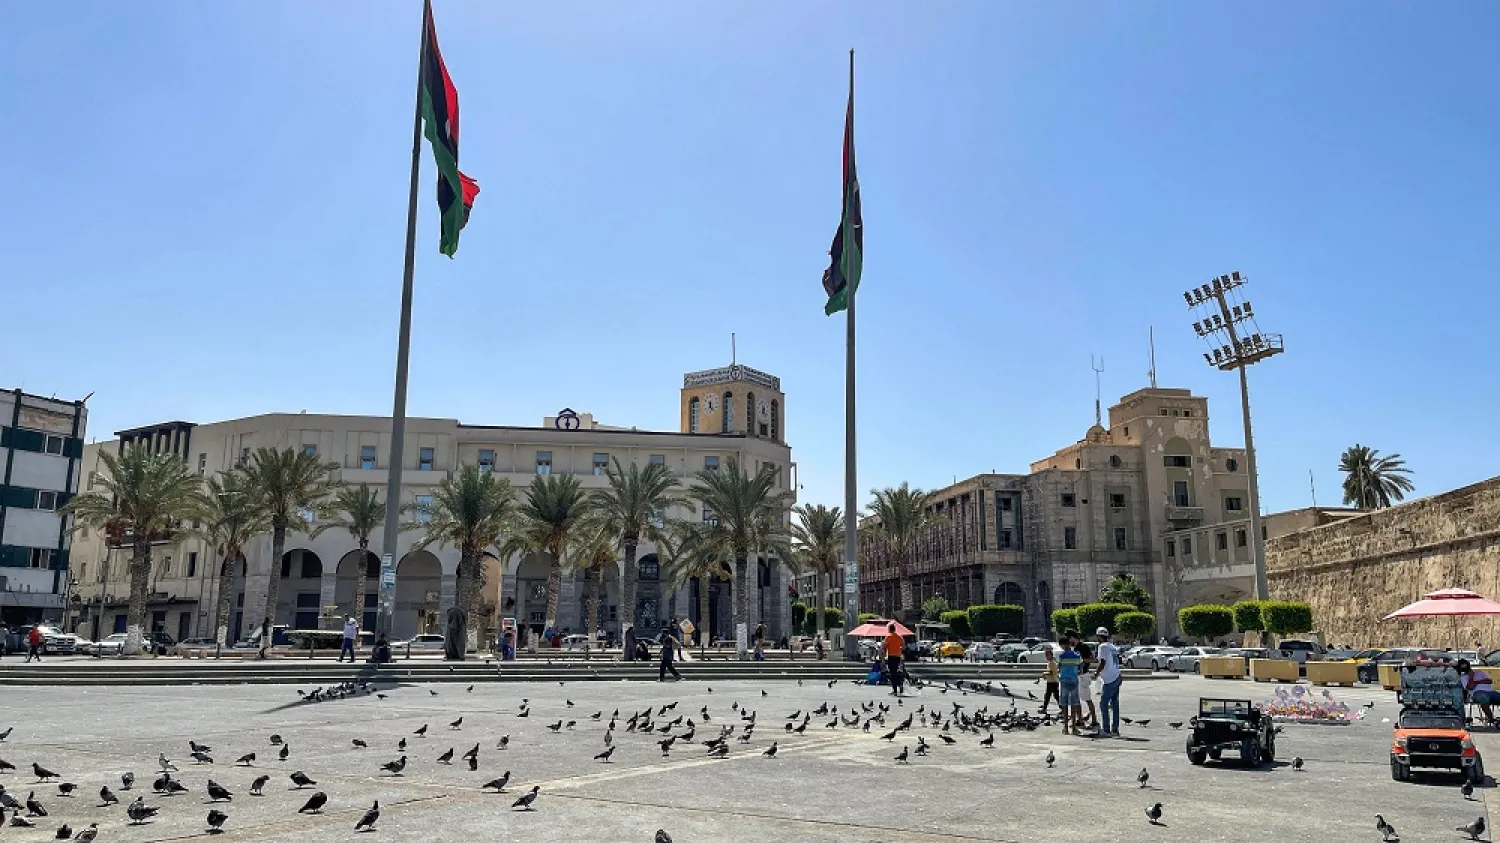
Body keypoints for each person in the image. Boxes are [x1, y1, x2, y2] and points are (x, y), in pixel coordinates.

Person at [1095, 627, 1123, 737]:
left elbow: (1102, 662)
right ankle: (1115, 729)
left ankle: (1106, 730)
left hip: (1110, 680)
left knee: (1103, 704)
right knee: (1115, 704)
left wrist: (1096, 672)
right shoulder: (1112, 646)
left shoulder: (1102, 646)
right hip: (1117, 676)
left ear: (1099, 637)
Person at [1057, 636, 1084, 736]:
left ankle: (1065, 727)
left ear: (1063, 645)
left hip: (1064, 681)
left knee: (1064, 705)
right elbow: (1080, 670)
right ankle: (1074, 727)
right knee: (1074, 704)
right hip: (1073, 681)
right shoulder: (1077, 655)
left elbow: (1058, 668)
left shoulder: (1061, 656)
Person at [1458, 659, 1497, 724]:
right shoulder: (1463, 677)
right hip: (1477, 693)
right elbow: (1470, 687)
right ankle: (1491, 719)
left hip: (1491, 692)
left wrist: (1476, 682)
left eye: (1465, 665)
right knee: (1483, 699)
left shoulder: (1479, 672)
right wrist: (1471, 676)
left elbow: (1489, 681)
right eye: (1462, 666)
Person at [1075, 641, 1098, 732]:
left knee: (1087, 698)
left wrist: (1080, 660)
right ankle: (1080, 719)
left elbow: (1093, 659)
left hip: (1083, 675)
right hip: (1078, 675)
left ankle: (1094, 719)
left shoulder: (1083, 647)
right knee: (1076, 698)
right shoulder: (1075, 647)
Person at [883, 623, 906, 697]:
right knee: (896, 672)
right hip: (897, 657)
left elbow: (884, 647)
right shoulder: (899, 637)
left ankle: (895, 690)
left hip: (891, 656)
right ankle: (899, 685)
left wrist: (883, 658)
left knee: (892, 673)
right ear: (895, 629)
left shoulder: (888, 637)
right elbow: (904, 646)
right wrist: (899, 650)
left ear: (889, 629)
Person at [1041, 646, 1060, 714]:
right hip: (1054, 681)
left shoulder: (1052, 663)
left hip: (1052, 682)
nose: (1046, 656)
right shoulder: (1051, 662)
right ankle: (1062, 708)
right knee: (1056, 696)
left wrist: (1044, 674)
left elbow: (1051, 672)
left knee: (1048, 695)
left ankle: (1044, 708)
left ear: (1051, 655)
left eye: (1047, 655)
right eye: (1046, 655)